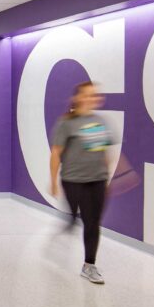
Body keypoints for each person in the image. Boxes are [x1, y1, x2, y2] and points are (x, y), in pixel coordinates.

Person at [50, 81, 116, 285]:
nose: (90, 98)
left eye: (93, 95)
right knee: (76, 214)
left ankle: (89, 265)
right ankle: (70, 220)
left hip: (97, 180)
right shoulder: (66, 122)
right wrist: (53, 181)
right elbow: (56, 153)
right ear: (77, 98)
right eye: (86, 95)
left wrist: (107, 176)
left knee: (92, 222)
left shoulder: (99, 121)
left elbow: (104, 150)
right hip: (72, 180)